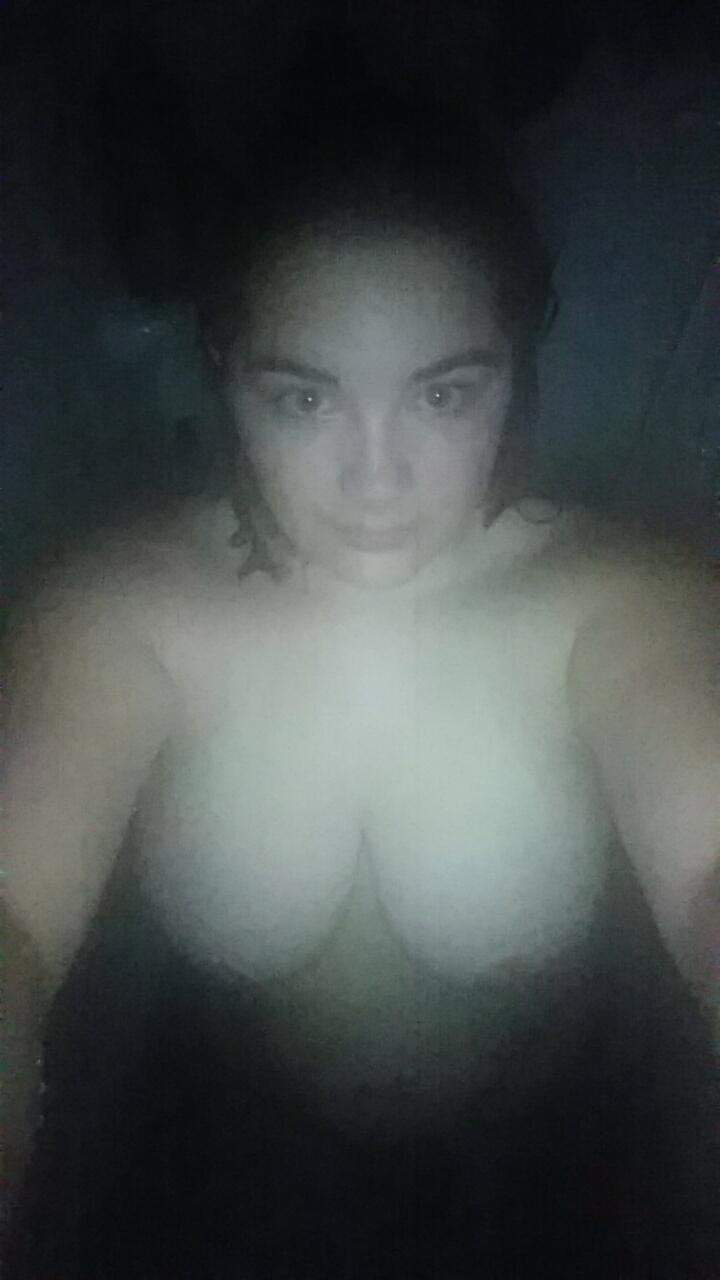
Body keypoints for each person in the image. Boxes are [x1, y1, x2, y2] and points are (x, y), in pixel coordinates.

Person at [2, 82, 718, 1278]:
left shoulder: (615, 599)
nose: (375, 477)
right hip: (221, 1156)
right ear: (227, 373)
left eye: (444, 393)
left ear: (515, 368)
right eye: (304, 397)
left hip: (556, 1152)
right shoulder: (126, 604)